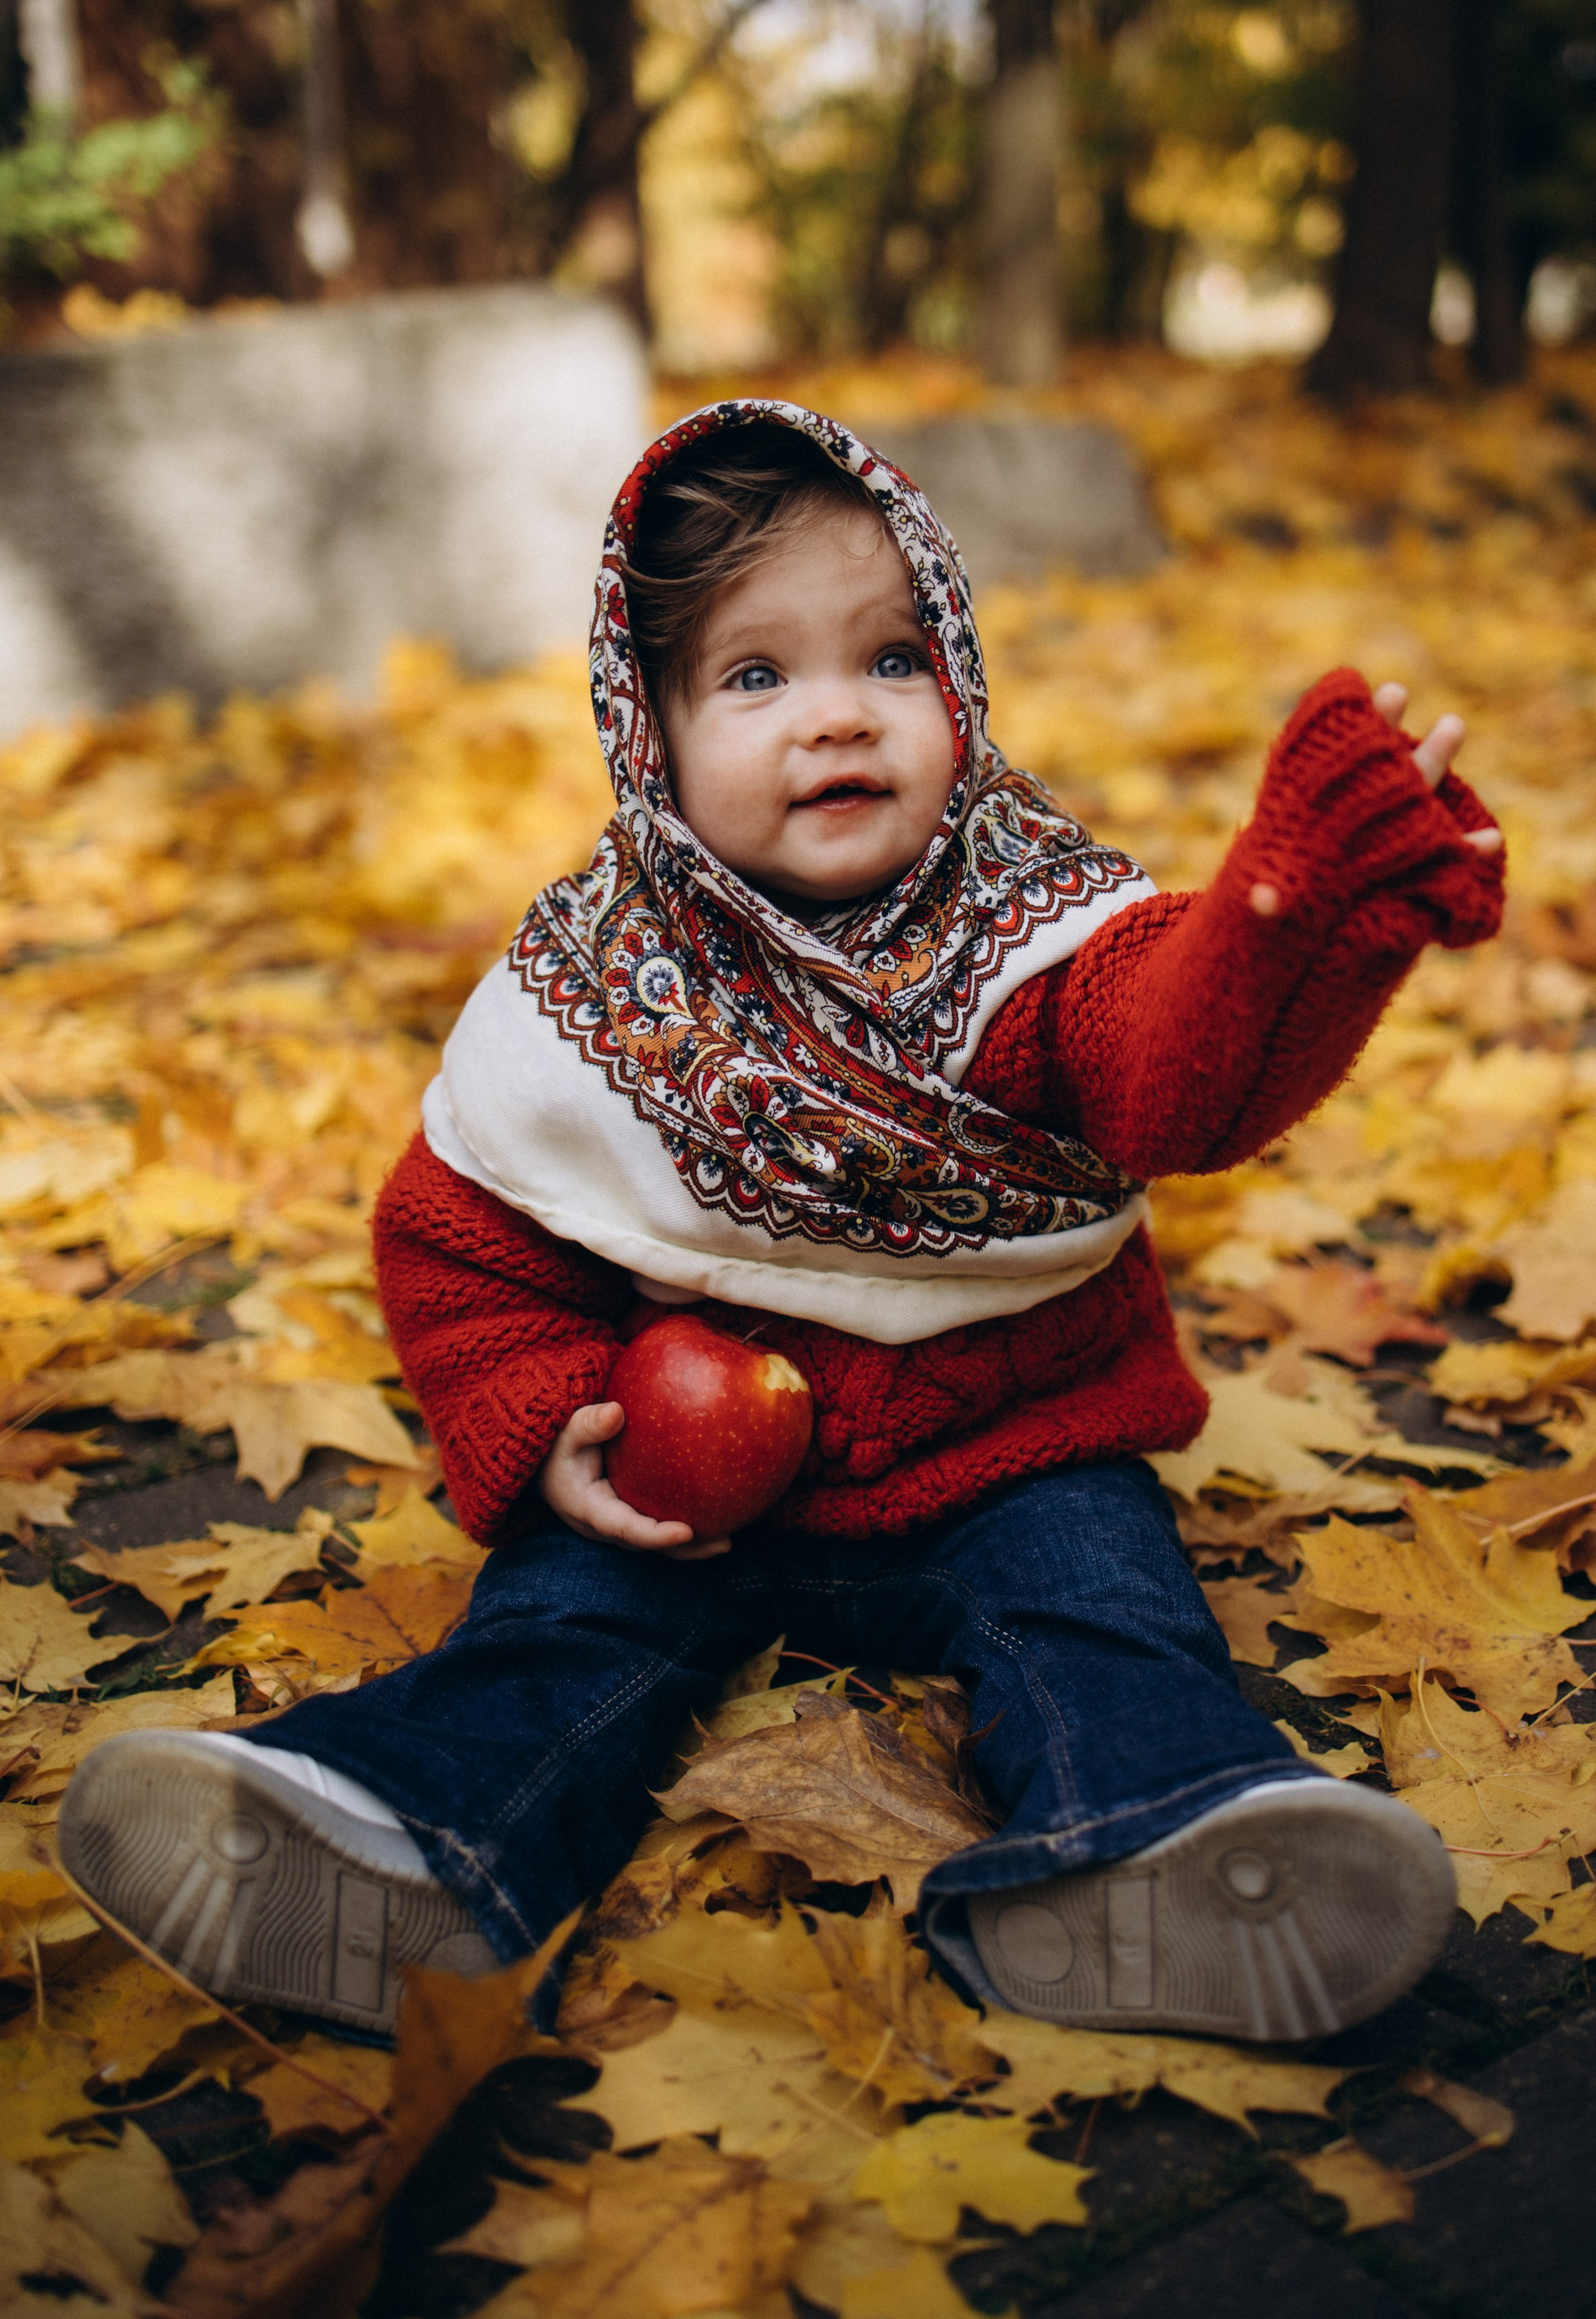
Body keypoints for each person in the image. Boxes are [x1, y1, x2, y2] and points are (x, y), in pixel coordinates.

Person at [61, 400, 1504, 2046]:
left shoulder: (1038, 927)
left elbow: (1180, 1089)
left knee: (1106, 1616)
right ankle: (404, 1841)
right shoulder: (587, 992)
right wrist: (544, 1429)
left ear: (958, 678)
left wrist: (1286, 910)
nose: (837, 719)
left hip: (1009, 1449)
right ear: (648, 734)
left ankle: (1149, 1847)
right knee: (553, 1633)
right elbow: (462, 1244)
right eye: (756, 678)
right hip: (688, 1498)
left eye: (892, 661)